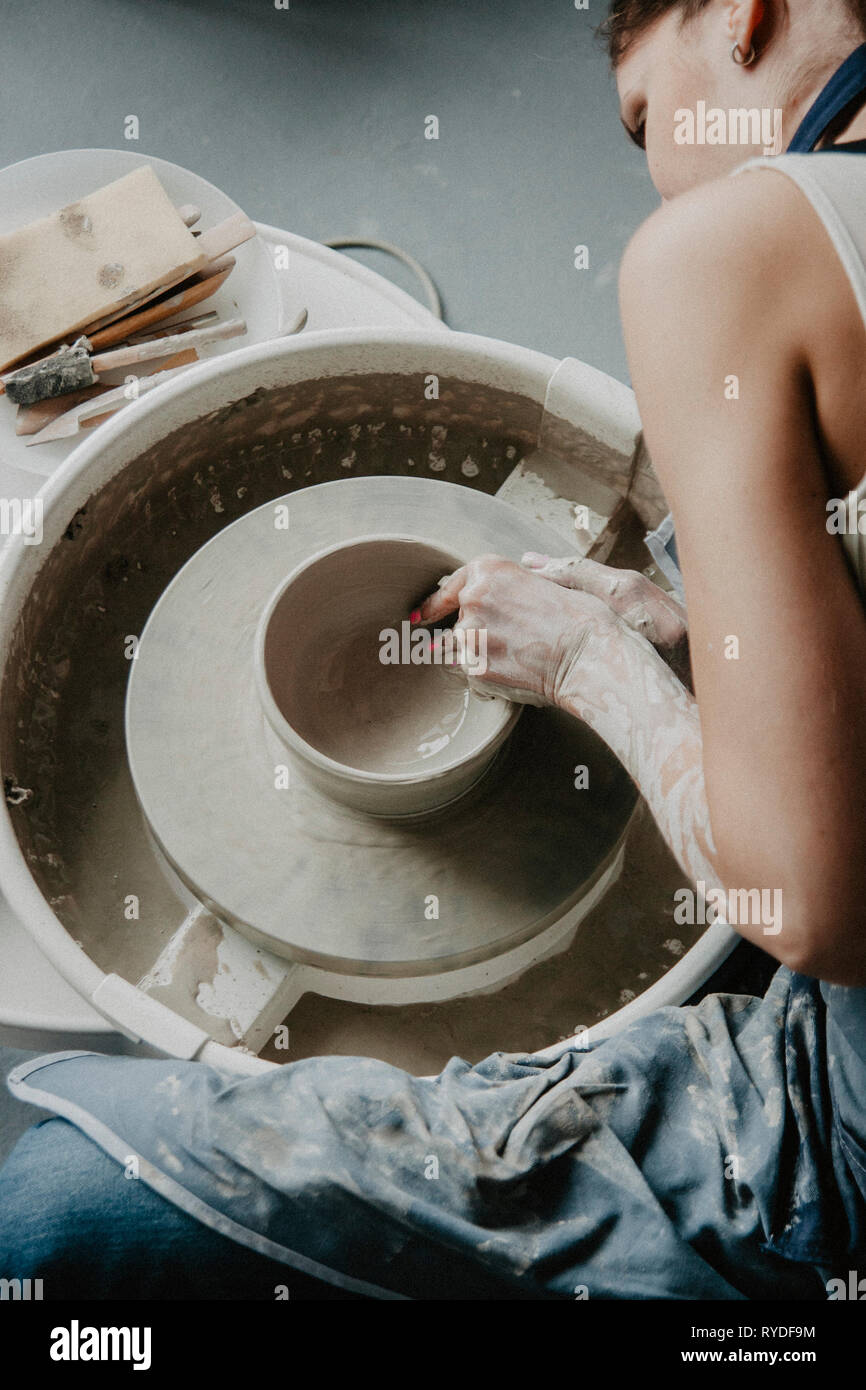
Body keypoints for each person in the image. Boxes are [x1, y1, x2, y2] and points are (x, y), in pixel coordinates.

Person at [2, 0, 866, 1300]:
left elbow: (813, 905)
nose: (657, 172)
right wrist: (699, 632)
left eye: (643, 119)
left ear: (741, 14)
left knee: (51, 1208)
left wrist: (587, 662)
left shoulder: (728, 251)